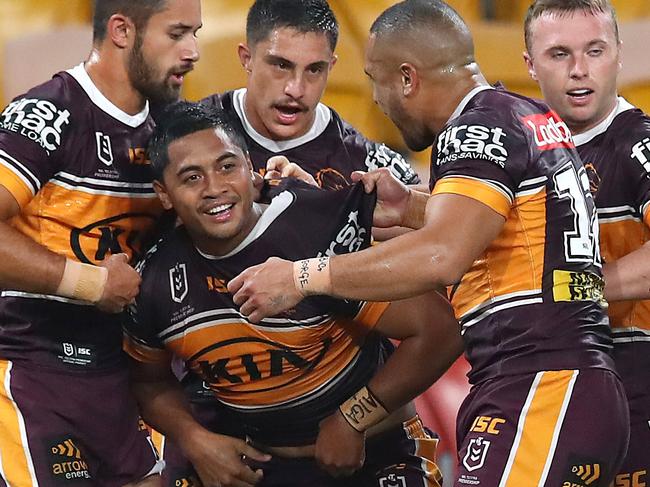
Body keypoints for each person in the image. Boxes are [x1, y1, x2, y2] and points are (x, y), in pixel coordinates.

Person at [227, 1, 631, 486]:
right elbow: (501, 224)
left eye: (375, 79)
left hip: (538, 386)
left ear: (406, 78)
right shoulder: (523, 114)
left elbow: (443, 256)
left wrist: (303, 276)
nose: (376, 99)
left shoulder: (473, 129)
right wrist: (414, 207)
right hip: (574, 385)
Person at [124, 101, 461, 487]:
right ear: (163, 194)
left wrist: (353, 419)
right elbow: (149, 381)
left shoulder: (315, 227)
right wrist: (193, 439)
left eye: (227, 166)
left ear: (251, 169)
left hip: (380, 453)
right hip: (267, 468)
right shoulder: (153, 279)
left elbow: (440, 330)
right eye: (191, 178)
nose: (215, 188)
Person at [0, 0, 201, 484]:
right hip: (30, 369)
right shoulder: (47, 114)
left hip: (126, 377)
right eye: (177, 34)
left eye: (197, 33)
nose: (193, 50)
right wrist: (91, 283)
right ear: (121, 31)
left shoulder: (175, 130)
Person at [523, 1, 650, 485]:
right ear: (529, 64)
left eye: (594, 51)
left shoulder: (639, 144)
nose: (579, 71)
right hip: (544, 385)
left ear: (617, 54)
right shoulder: (521, 146)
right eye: (559, 54)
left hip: (635, 383)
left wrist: (575, 288)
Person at [200, 0, 420, 190]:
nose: (296, 89)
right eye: (281, 66)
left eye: (314, 69)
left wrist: (324, 208)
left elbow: (440, 223)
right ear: (246, 58)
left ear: (331, 66)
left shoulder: (368, 164)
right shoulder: (188, 135)